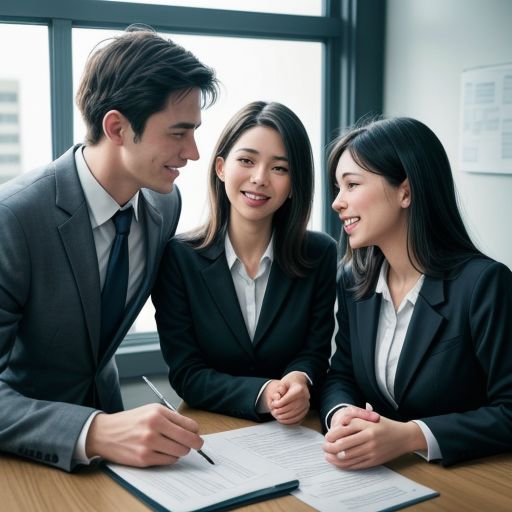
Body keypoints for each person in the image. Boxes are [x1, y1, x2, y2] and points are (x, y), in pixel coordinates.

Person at [0, 28, 219, 472]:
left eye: (194, 132)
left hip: (126, 451)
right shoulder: (14, 219)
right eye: (179, 133)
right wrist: (93, 431)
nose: (193, 152)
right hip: (25, 455)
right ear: (117, 127)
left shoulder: (164, 204)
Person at [320, 116, 512, 469]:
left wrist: (412, 436)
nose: (337, 202)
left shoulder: (485, 284)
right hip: (378, 478)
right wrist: (341, 416)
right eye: (337, 187)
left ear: (405, 192)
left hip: (464, 481)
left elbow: (509, 410)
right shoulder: (353, 281)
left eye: (351, 185)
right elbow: (342, 374)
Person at [153, 101, 336, 424]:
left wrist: (299, 377)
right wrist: (263, 393)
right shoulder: (179, 257)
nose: (260, 178)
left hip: (297, 429)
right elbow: (187, 373)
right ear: (221, 168)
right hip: (211, 427)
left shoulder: (319, 254)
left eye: (280, 168)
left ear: (295, 183)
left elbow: (314, 352)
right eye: (247, 161)